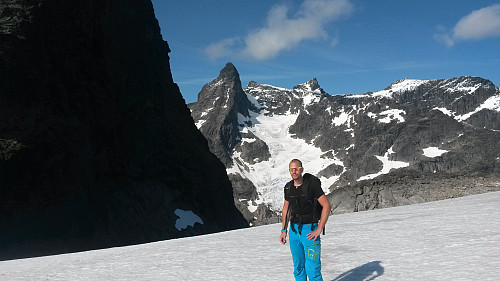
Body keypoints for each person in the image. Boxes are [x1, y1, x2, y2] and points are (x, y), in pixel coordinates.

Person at [280, 159, 331, 281]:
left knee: (312, 269)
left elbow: (326, 206)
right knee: (298, 268)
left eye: (296, 169)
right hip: (294, 232)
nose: (294, 172)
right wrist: (283, 230)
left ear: (301, 170)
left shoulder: (312, 186)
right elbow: (286, 209)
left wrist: (319, 228)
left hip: (310, 231)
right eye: (291, 169)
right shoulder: (288, 187)